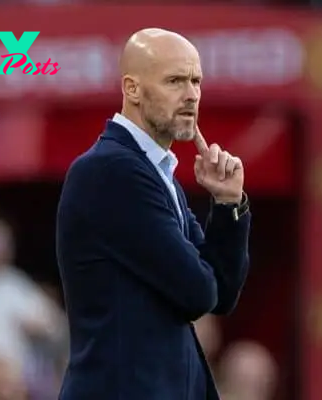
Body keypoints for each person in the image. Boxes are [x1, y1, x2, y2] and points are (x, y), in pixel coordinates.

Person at [56, 28, 252, 400]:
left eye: (196, 81)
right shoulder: (112, 171)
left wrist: (228, 204)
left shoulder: (155, 173)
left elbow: (222, 294)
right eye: (175, 81)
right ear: (132, 89)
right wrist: (203, 274)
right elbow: (198, 292)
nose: (191, 94)